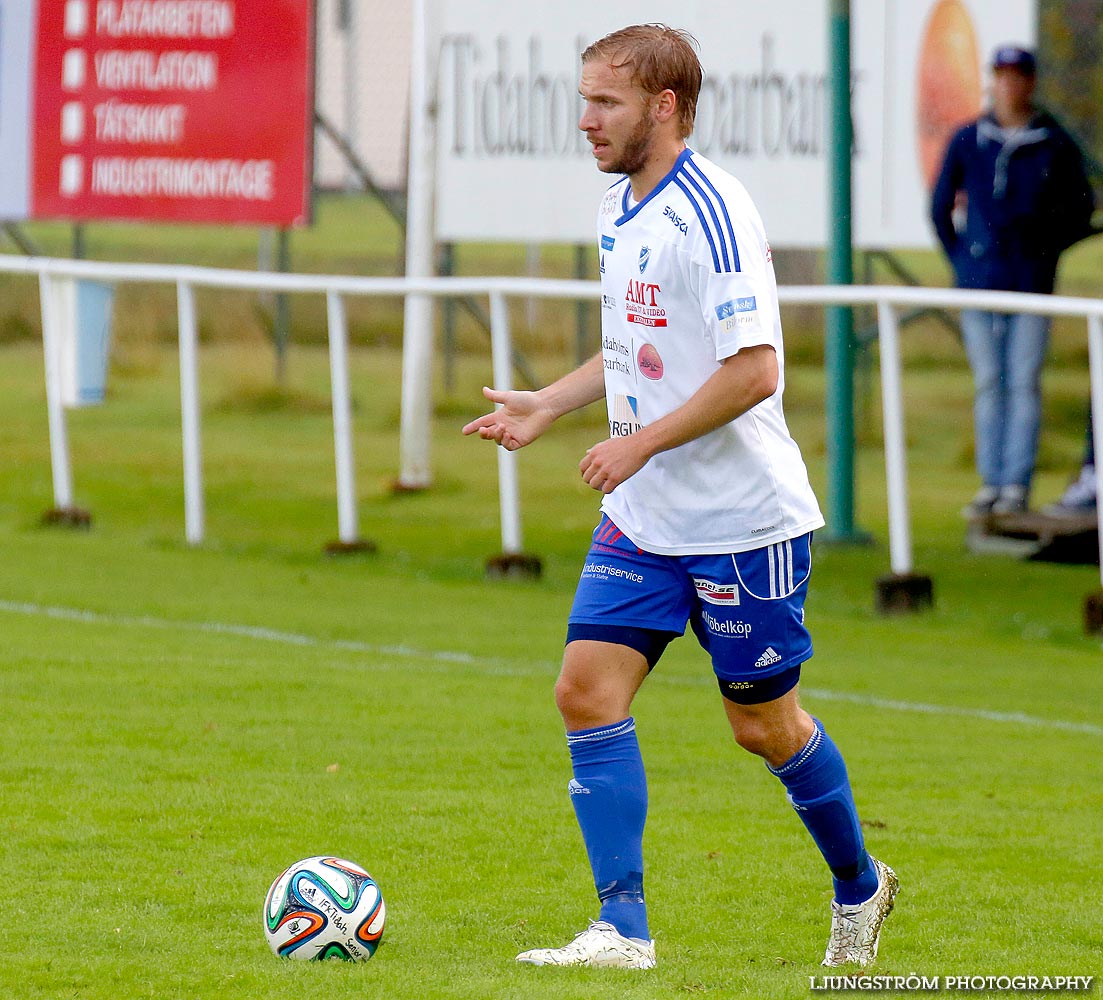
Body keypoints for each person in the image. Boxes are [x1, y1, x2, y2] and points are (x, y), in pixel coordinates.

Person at [462, 24, 897, 971]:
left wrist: (637, 443)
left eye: (604, 102)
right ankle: (621, 930)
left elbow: (754, 372)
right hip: (645, 519)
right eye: (583, 99)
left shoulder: (713, 210)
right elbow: (637, 349)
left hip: (741, 524)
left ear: (663, 106)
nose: (585, 120)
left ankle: (860, 885)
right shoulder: (624, 206)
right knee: (585, 691)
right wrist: (549, 401)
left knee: (763, 727)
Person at [931, 44, 1096, 519]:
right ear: (992, 81)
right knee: (990, 383)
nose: (1009, 85)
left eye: (1017, 75)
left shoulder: (1054, 142)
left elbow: (1080, 209)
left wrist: (1043, 251)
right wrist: (963, 263)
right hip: (981, 285)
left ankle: (1016, 485)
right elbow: (940, 206)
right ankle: (992, 482)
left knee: (1022, 382)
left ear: (1030, 82)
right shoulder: (968, 140)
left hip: (1030, 286)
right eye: (1001, 75)